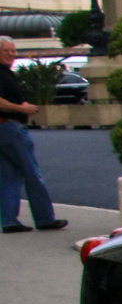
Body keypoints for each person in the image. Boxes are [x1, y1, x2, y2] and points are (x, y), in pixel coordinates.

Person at [0, 35, 67, 234]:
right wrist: (22, 109)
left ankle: (9, 221)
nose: (11, 54)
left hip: (4, 128)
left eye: (13, 51)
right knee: (32, 174)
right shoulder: (1, 75)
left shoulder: (6, 73)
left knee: (8, 176)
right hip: (11, 128)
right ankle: (45, 218)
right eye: (6, 51)